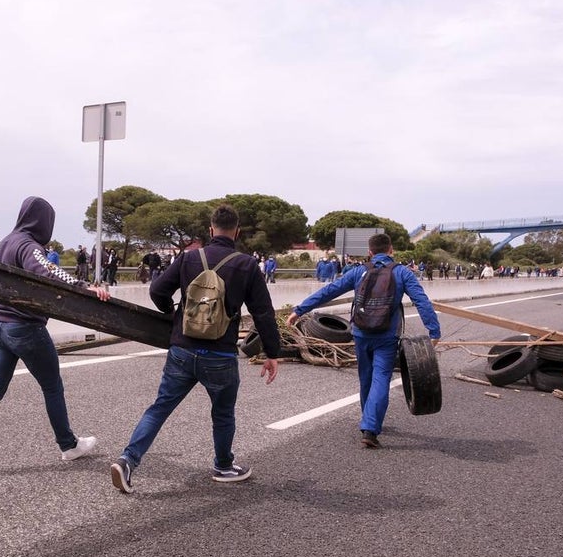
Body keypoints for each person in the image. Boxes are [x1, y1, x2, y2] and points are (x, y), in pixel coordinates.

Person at [110, 204, 282, 494]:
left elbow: (157, 290)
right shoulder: (246, 264)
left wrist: (173, 314)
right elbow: (263, 313)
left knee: (160, 408)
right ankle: (224, 466)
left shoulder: (188, 258)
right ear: (236, 232)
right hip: (221, 355)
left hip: (182, 348)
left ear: (211, 229)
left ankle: (128, 461)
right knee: (223, 412)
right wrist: (272, 353)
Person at [0, 196, 110, 473]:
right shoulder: (28, 245)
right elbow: (49, 271)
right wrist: (84, 287)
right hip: (24, 327)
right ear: (43, 222)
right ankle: (68, 445)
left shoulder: (6, 242)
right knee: (52, 386)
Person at [286, 233, 441, 449]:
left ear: (369, 252)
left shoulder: (359, 271)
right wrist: (434, 331)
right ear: (391, 250)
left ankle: (368, 418)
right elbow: (421, 301)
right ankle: (370, 426)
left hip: (360, 333)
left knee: (366, 377)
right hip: (387, 336)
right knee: (381, 378)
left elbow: (330, 291)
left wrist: (300, 309)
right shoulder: (402, 273)